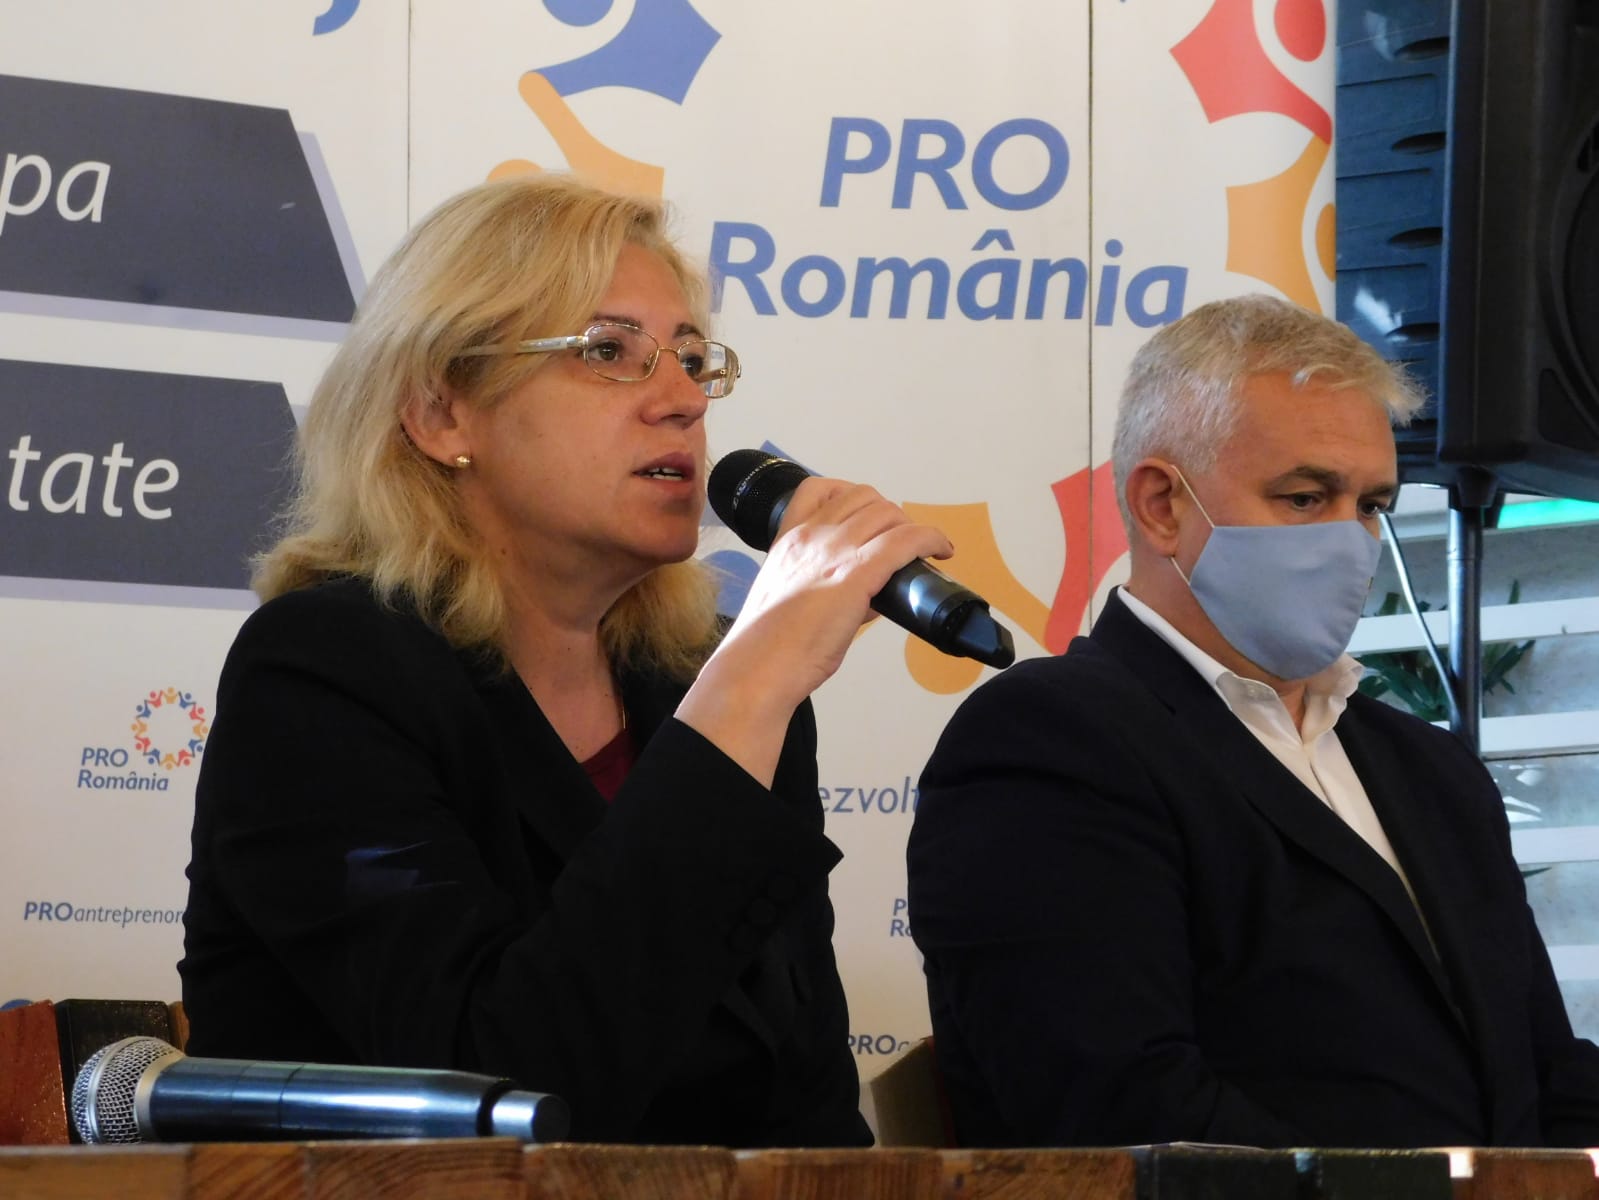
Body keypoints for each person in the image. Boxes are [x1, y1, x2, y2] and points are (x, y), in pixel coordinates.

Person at [179, 174, 953, 1147]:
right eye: (607, 352)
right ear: (442, 413)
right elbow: (506, 1092)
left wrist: (748, 688)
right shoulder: (322, 675)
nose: (682, 401)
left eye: (692, 359)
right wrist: (753, 681)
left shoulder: (703, 682)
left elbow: (806, 1113)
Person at [906, 294, 1599, 1149]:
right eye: (1304, 498)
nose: (1349, 541)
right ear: (1161, 505)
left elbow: (1547, 1074)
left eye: (1371, 505)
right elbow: (1122, 1115)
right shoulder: (1051, 741)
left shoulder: (1431, 769)